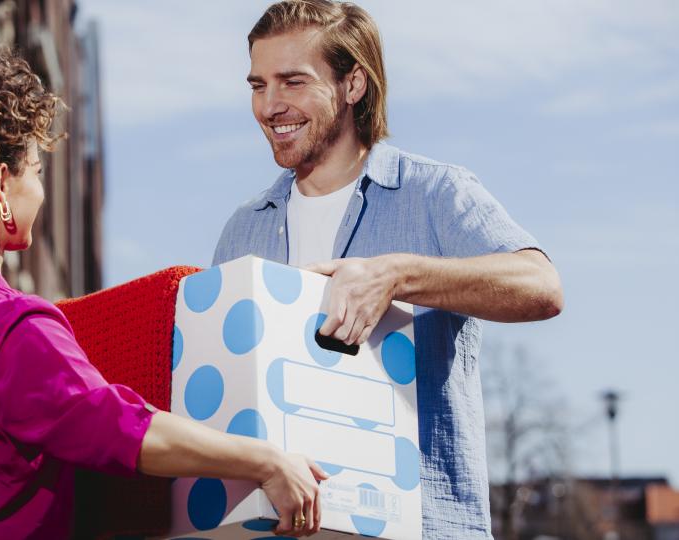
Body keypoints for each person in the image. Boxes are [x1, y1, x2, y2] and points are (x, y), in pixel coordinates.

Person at [0, 47, 325, 539]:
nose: (42, 191)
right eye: (36, 171)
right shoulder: (6, 322)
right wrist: (267, 460)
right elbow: (124, 431)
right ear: (2, 185)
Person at [212, 1, 564, 538]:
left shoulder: (435, 193)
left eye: (293, 82)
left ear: (353, 84)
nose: (270, 106)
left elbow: (542, 286)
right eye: (258, 85)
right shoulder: (243, 229)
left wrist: (396, 275)